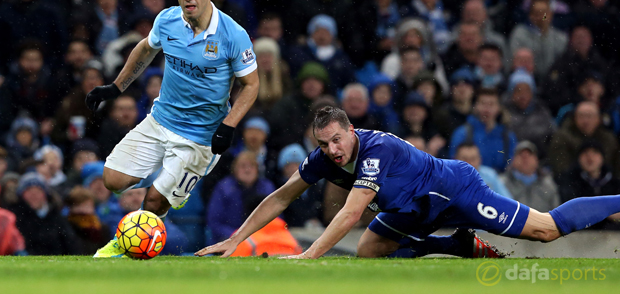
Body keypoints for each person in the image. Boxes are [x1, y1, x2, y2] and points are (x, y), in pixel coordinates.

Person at [196, 106, 620, 259]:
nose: (331, 150)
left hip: (456, 190)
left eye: (337, 140)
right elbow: (281, 196)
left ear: (351, 130)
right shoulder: (325, 158)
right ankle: (456, 246)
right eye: (323, 144)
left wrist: (309, 257)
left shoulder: (375, 150)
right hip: (415, 209)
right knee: (369, 249)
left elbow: (351, 212)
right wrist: (235, 239)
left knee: (545, 230)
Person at [85, 0, 259, 258]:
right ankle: (173, 187)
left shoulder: (233, 35)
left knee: (154, 201)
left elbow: (252, 85)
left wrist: (229, 124)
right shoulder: (166, 20)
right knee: (111, 180)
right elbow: (145, 47)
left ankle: (129, 244)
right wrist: (116, 87)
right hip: (160, 120)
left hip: (200, 138)